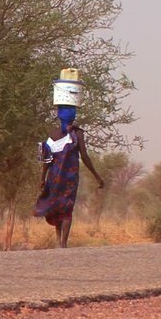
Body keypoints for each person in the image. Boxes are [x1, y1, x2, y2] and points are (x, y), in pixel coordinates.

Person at [34, 105, 103, 248]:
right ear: (73, 117)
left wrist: (42, 178)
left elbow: (47, 160)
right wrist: (97, 176)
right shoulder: (77, 134)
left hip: (53, 178)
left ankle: (59, 240)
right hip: (69, 178)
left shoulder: (51, 134)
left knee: (58, 206)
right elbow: (84, 156)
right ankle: (63, 244)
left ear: (59, 117)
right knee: (67, 208)